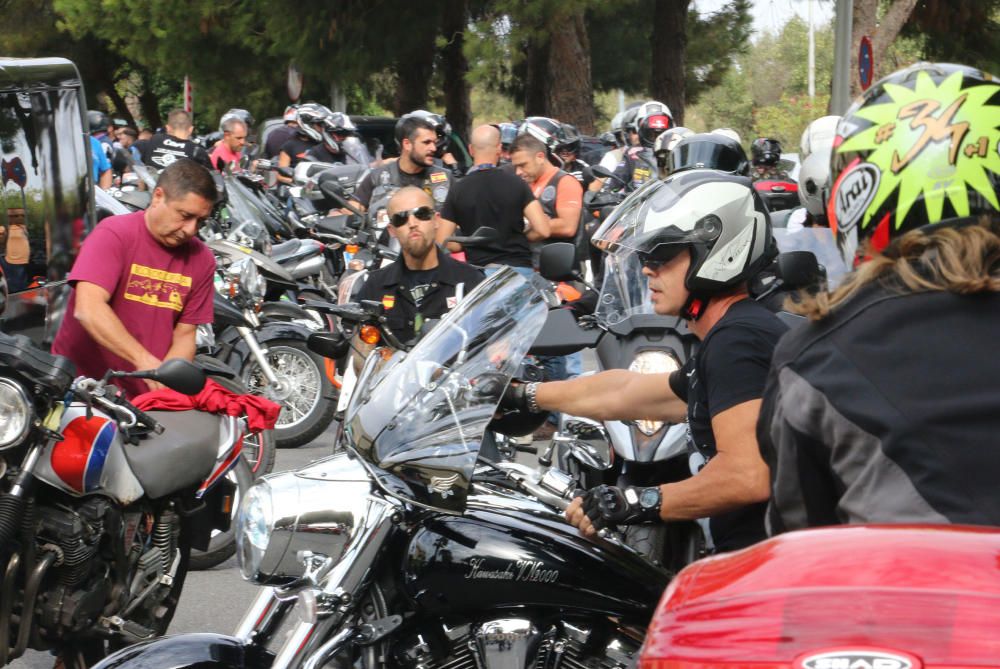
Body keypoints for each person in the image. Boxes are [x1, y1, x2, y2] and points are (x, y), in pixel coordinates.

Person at [758, 62, 1000, 533]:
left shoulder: (813, 357)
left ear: (857, 192)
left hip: (910, 602)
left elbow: (800, 544)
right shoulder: (810, 359)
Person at [503, 171, 785, 552]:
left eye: (663, 255)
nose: (648, 268)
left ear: (719, 252)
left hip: (764, 566)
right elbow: (628, 392)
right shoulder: (733, 333)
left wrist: (637, 501)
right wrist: (524, 394)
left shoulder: (737, 342)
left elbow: (746, 475)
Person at [52, 159, 217, 399]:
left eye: (200, 221)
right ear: (158, 197)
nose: (190, 230)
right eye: (185, 215)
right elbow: (89, 309)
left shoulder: (202, 260)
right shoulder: (114, 234)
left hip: (141, 400)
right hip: (80, 390)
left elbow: (184, 334)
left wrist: (166, 383)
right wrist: (144, 360)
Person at [355, 186, 484, 347]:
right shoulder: (375, 286)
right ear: (392, 230)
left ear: (436, 220)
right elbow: (360, 352)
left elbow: (495, 340)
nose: (412, 223)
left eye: (421, 214)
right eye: (400, 218)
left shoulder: (470, 280)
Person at [436, 125, 550, 272]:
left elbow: (442, 240)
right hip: (518, 271)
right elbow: (543, 230)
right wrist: (518, 238)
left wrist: (469, 243)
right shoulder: (517, 183)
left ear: (471, 150)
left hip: (479, 274)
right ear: (499, 149)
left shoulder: (458, 189)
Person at [351, 115, 452, 211]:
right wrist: (340, 215)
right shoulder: (377, 177)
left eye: (434, 142)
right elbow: (352, 209)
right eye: (426, 142)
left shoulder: (445, 178)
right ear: (407, 144)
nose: (433, 148)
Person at [608, 101, 672, 192]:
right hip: (641, 204)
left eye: (661, 133)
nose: (657, 138)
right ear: (641, 131)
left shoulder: (677, 154)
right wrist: (608, 195)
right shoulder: (633, 156)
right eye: (651, 134)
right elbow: (614, 185)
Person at [139, 109, 212, 170]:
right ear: (191, 129)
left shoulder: (154, 140)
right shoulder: (196, 150)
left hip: (153, 186)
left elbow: (142, 163)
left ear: (167, 128)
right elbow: (211, 176)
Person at [276, 102, 328, 182]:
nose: (322, 128)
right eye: (319, 125)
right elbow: (280, 176)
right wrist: (299, 182)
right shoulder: (289, 146)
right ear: (307, 123)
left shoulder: (326, 145)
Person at [556, 123, 594, 190]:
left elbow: (595, 186)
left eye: (569, 147)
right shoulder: (550, 170)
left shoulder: (583, 168)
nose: (565, 152)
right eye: (560, 148)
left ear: (576, 147)